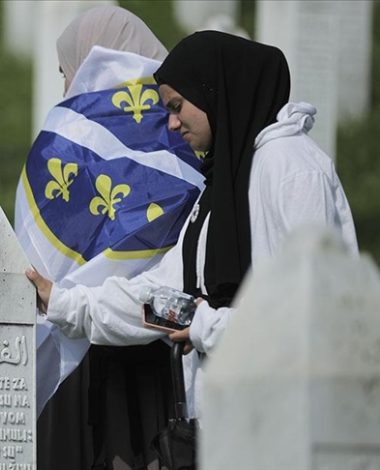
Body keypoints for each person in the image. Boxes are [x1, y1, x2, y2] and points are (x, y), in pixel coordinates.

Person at [26, 31, 358, 422]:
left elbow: (318, 316)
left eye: (178, 105)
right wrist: (65, 303)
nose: (172, 123)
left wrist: (209, 326)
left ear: (214, 91)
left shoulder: (292, 168)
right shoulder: (225, 186)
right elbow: (168, 298)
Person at [16, 6, 203, 470]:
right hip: (158, 344)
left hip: (75, 356)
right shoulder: (184, 129)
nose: (66, 86)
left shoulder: (66, 134)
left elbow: (32, 258)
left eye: (67, 70)